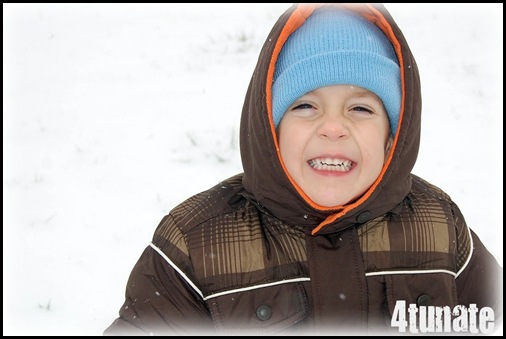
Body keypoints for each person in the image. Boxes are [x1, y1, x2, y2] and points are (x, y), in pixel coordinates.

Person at [104, 3, 502, 335]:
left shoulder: (439, 229)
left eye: (361, 108)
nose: (332, 127)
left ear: (392, 138)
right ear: (270, 129)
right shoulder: (196, 244)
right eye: (305, 106)